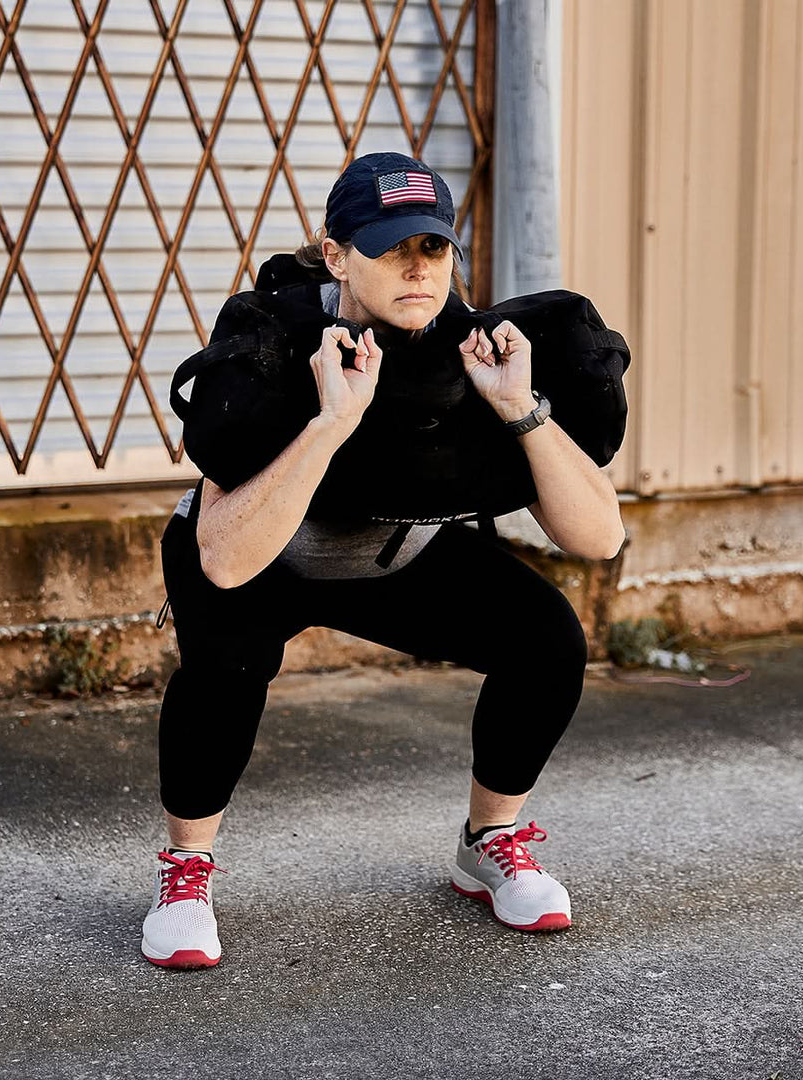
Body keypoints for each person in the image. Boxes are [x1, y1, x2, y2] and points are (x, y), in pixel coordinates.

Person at [141, 152, 626, 968]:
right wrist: (330, 422)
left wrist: (520, 410)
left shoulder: (478, 352)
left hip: (395, 554)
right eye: (391, 247)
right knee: (226, 664)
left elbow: (599, 537)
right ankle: (187, 868)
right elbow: (224, 560)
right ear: (336, 256)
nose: (417, 268)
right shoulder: (273, 336)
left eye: (433, 248)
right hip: (268, 554)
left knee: (547, 639)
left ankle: (489, 840)